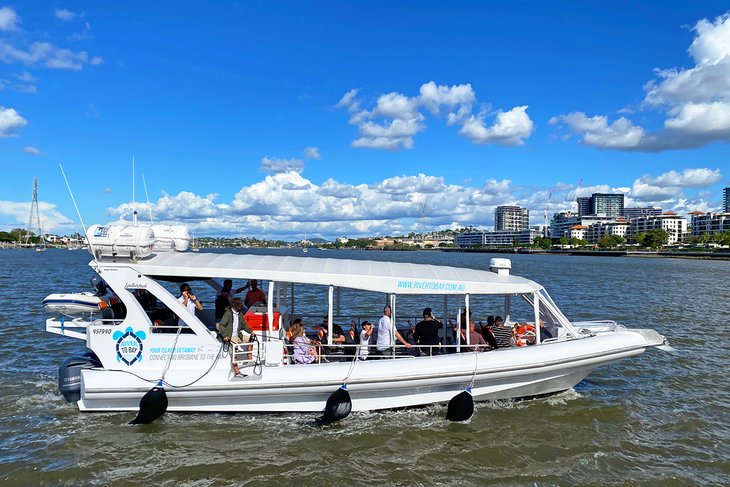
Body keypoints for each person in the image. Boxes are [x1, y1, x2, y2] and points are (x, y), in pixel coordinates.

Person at [217, 297, 255, 376]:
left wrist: (250, 331)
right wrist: (225, 335)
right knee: (234, 353)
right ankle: (236, 371)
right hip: (230, 335)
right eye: (238, 304)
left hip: (238, 334)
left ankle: (249, 357)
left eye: (241, 304)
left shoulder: (239, 313)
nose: (240, 306)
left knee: (251, 339)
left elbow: (244, 325)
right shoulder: (228, 313)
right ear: (233, 304)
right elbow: (221, 325)